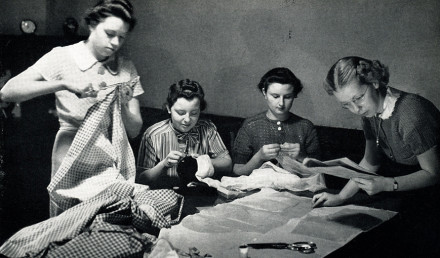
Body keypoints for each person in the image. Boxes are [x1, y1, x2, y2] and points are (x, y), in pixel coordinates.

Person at [0, 0, 143, 216]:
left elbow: (134, 130)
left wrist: (123, 103)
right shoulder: (63, 57)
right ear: (92, 25)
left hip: (108, 157)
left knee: (107, 225)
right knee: (68, 225)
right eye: (109, 33)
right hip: (71, 153)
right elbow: (7, 92)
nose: (115, 42)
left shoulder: (126, 68)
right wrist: (64, 84)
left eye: (121, 37)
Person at [312, 56, 440, 256]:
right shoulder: (370, 114)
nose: (356, 109)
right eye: (346, 105)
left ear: (374, 82)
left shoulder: (411, 114)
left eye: (358, 98)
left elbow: (434, 173)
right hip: (407, 187)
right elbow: (370, 163)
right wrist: (341, 197)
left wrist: (387, 184)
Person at [136, 79, 232, 189]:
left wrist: (203, 161)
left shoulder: (207, 128)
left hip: (200, 193)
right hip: (165, 194)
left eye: (194, 113)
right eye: (180, 113)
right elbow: (141, 179)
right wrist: (164, 164)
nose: (187, 120)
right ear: (168, 108)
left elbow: (228, 164)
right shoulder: (152, 135)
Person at [232, 67, 321, 176]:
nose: (281, 103)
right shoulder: (251, 125)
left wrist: (301, 156)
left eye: (287, 97)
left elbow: (319, 172)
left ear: (295, 95)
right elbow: (237, 170)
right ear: (264, 93)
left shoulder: (306, 127)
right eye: (275, 96)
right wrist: (259, 157)